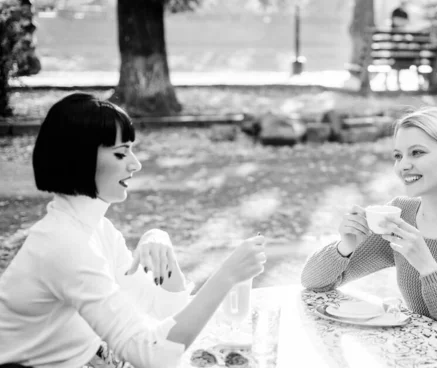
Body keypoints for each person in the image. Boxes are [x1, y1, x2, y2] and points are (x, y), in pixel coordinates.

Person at [0, 93, 268, 368]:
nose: (135, 164)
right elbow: (151, 355)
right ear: (80, 158)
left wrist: (160, 242)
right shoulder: (64, 245)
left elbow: (166, 312)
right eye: (120, 152)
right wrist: (227, 276)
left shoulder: (97, 230)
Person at [300, 106, 437, 368]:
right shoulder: (401, 214)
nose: (403, 165)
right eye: (398, 155)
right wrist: (345, 247)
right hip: (427, 357)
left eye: (417, 153)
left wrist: (427, 266)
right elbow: (313, 282)